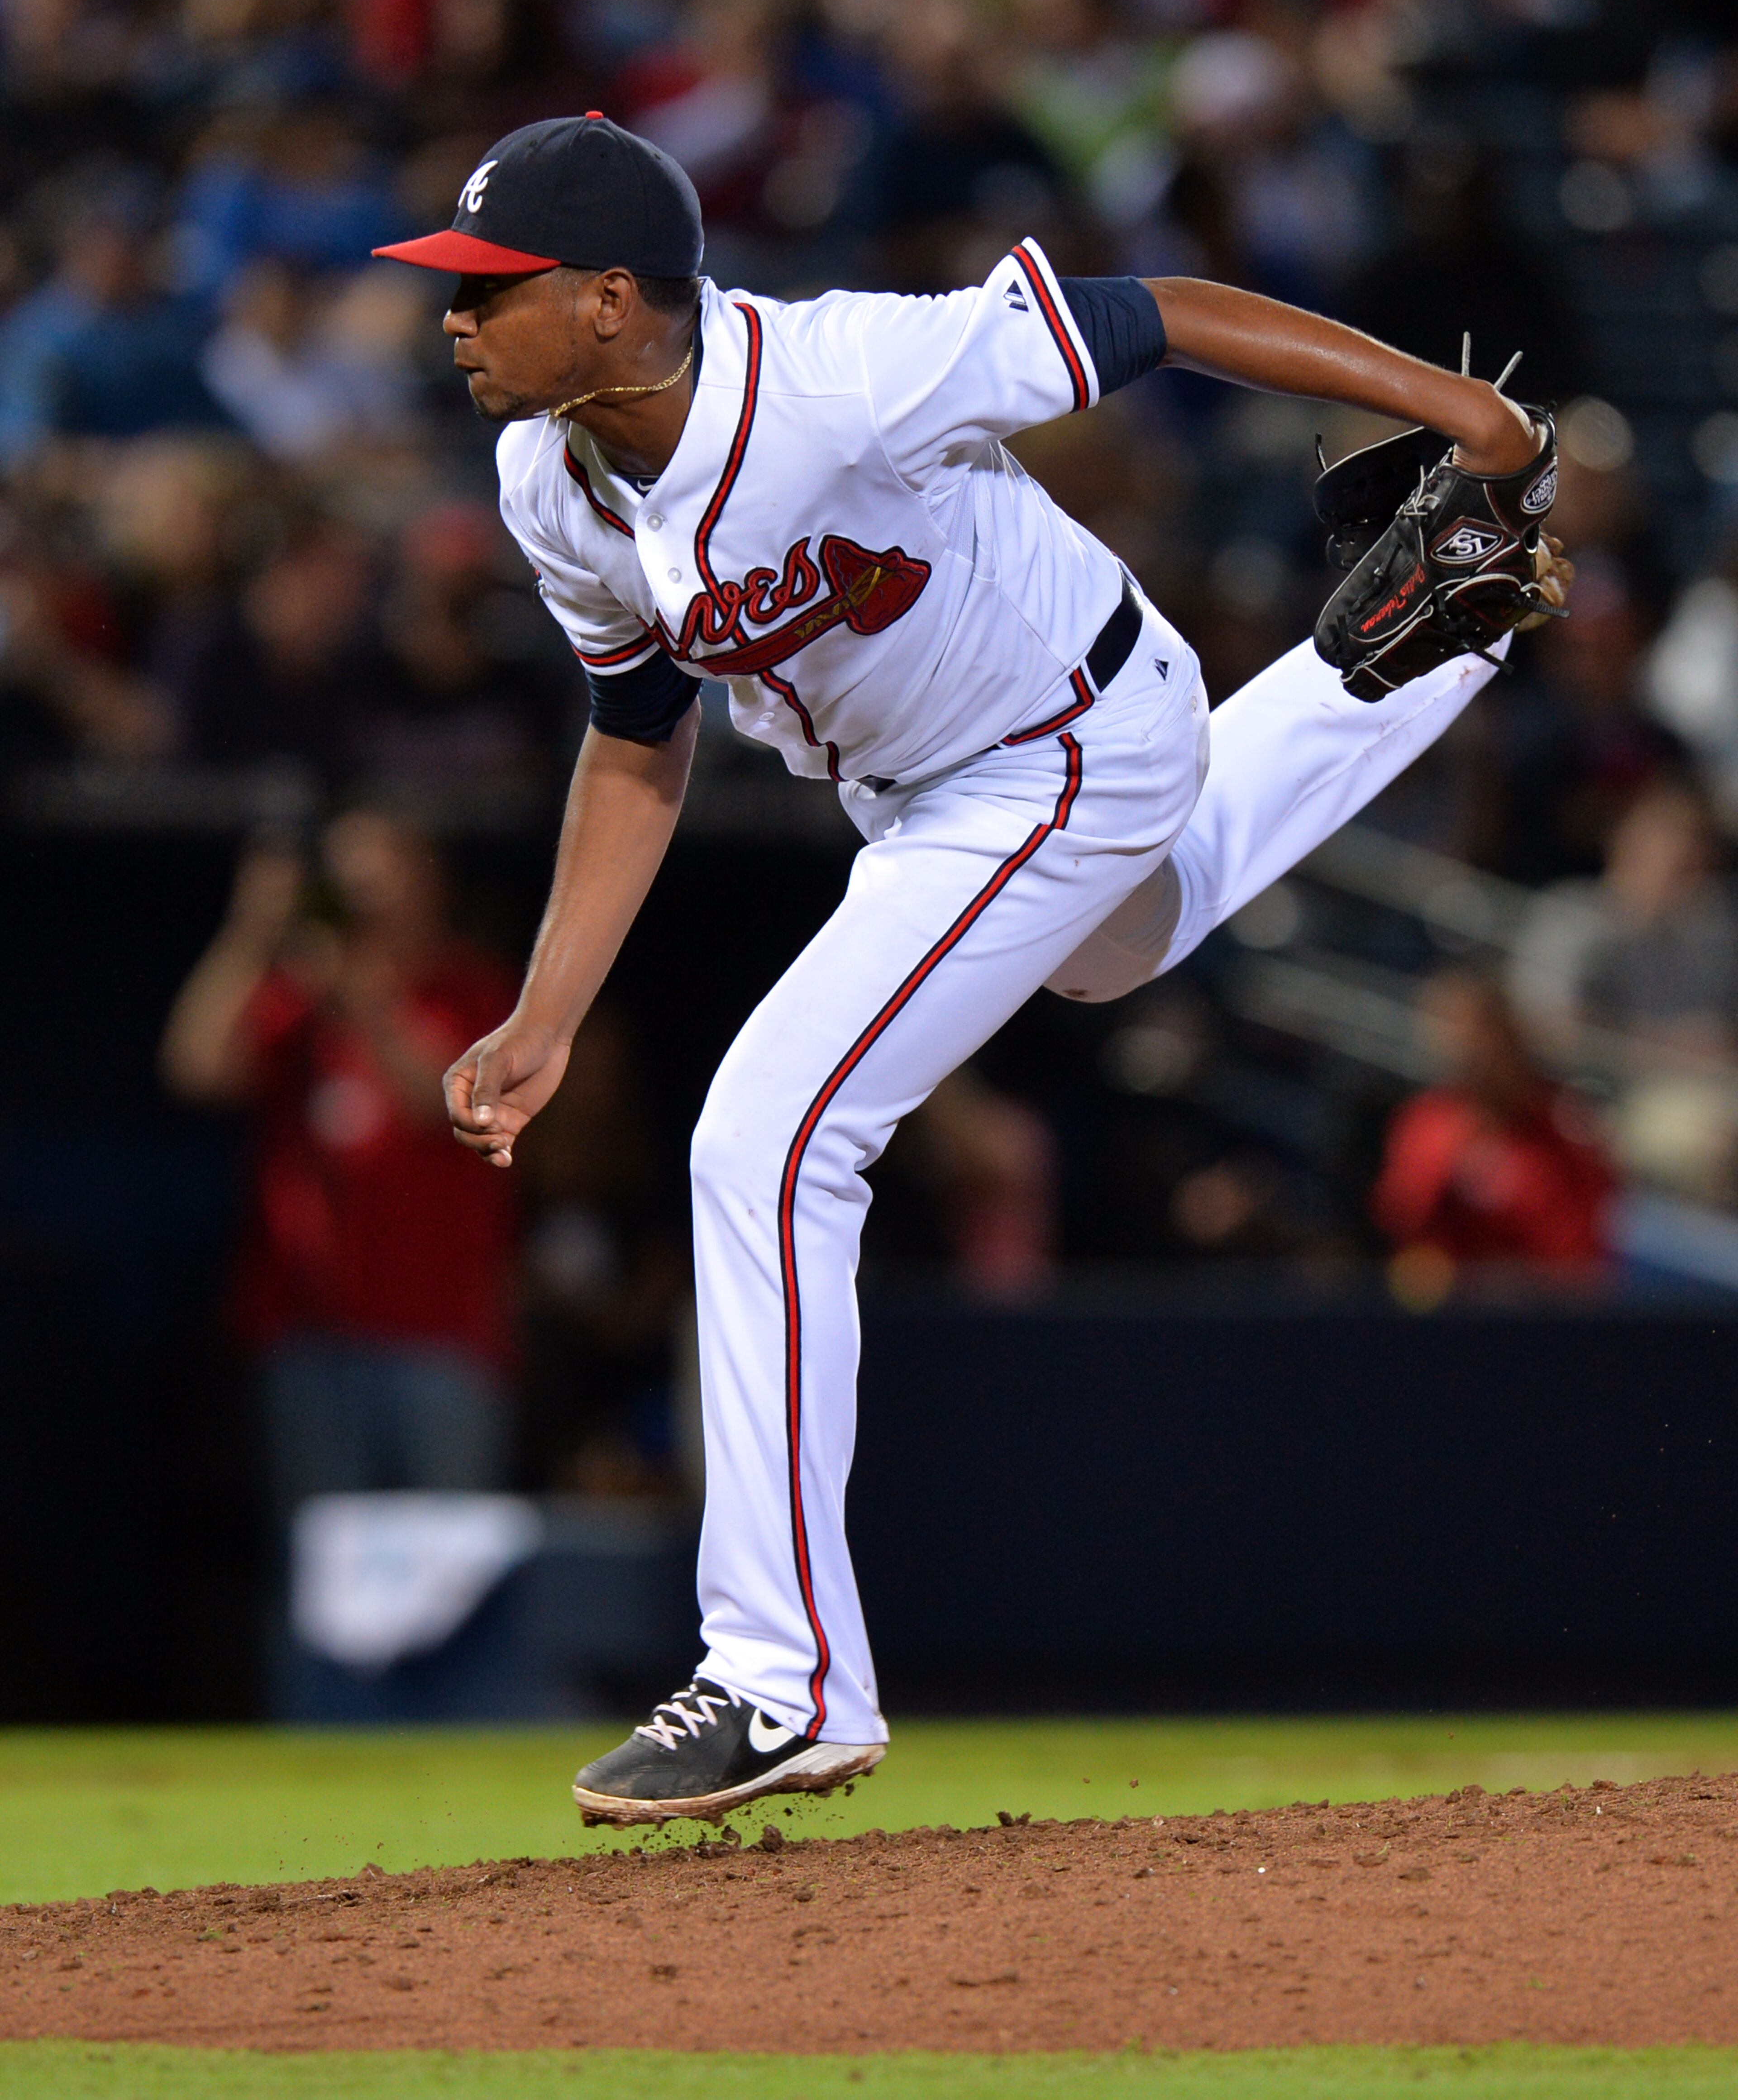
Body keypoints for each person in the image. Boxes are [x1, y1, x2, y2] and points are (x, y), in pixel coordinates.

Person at [372, 112, 1565, 1823]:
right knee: (1112, 949)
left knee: (766, 1140)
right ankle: (1423, 641)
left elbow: (1160, 310)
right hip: (963, 789)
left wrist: (1464, 414)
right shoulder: (547, 479)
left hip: (1059, 739)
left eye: (494, 287)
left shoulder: (840, 373)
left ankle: (779, 1679)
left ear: (619, 301)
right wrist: (549, 1007)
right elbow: (637, 738)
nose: (455, 316)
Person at [159, 810, 521, 1524]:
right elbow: (196, 1070)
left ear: (429, 880)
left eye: (382, 878)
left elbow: (449, 1105)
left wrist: (367, 996)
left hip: (438, 1335)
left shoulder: (474, 988)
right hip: (310, 1334)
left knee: (452, 1567)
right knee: (318, 1569)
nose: (364, 900)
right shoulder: (300, 996)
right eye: (348, 882)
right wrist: (251, 932)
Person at [1371, 968, 1615, 1279]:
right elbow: (1401, 1219)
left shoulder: (1568, 1125)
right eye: (1447, 1028)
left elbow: (1582, 1250)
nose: (1464, 1046)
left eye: (1477, 1031)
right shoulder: (1426, 1123)